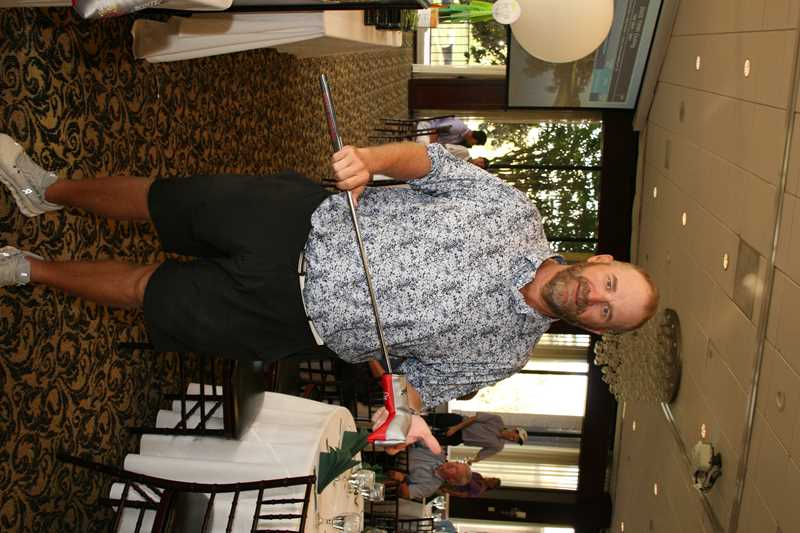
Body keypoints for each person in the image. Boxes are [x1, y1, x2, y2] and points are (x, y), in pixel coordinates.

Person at [0, 134, 658, 412]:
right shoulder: (516, 213)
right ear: (602, 261)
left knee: (152, 291)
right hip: (296, 220)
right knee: (162, 201)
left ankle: (31, 268)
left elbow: (417, 388)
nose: (593, 296)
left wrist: (406, 413)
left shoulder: (505, 355)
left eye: (607, 311)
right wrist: (371, 159)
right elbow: (430, 163)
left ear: (597, 329)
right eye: (609, 284)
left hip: (290, 321)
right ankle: (45, 189)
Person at [424, 412, 525, 463]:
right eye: (513, 437)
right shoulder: (497, 420)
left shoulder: (498, 446)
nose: (511, 439)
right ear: (514, 430)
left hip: (459, 438)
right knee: (427, 419)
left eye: (513, 441)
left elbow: (481, 456)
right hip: (458, 422)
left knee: (427, 441)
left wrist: (471, 461)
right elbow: (474, 418)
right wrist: (455, 428)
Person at [393, 443, 471, 499]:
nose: (452, 464)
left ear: (451, 480)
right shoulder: (438, 452)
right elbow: (419, 438)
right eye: (457, 463)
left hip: (391, 469)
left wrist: (402, 480)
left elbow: (405, 493)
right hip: (396, 446)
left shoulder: (430, 488)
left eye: (456, 469)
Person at [420, 117, 487, 147]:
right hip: (426, 129)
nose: (472, 145)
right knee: (424, 148)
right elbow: (436, 130)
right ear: (475, 139)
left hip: (429, 137)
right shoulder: (460, 127)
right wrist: (432, 147)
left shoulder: (460, 139)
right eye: (475, 144)